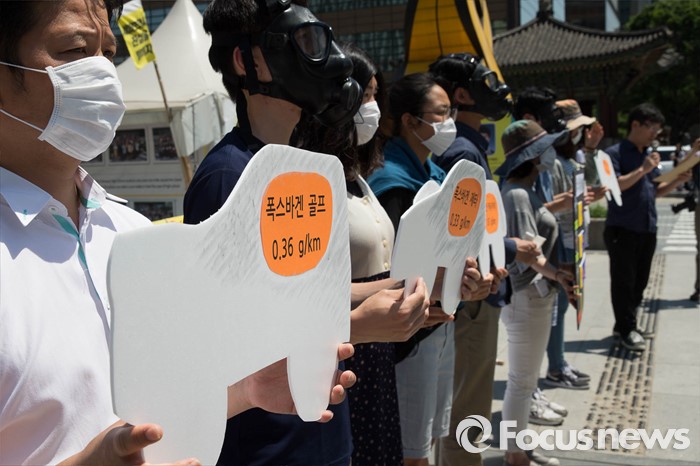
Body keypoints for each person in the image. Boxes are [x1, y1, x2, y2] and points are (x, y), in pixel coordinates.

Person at [0, 1, 356, 465]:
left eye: (108, 53)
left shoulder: (132, 233)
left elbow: (162, 407)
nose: (102, 73)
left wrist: (245, 389)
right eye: (74, 50)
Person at [184, 3, 432, 465]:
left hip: (325, 430)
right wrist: (358, 325)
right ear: (247, 62)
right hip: (267, 447)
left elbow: (308, 293)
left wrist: (408, 285)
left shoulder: (303, 169)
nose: (329, 60)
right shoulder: (228, 176)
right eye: (305, 43)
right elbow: (227, 332)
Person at [367, 73, 493, 466]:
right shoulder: (392, 181)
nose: (449, 122)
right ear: (409, 120)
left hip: (438, 325)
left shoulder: (437, 177)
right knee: (414, 452)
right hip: (410, 335)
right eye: (440, 114)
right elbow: (394, 270)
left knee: (432, 437)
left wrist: (471, 278)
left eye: (451, 112)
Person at [425, 53, 541, 466]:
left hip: (468, 290)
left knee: (455, 408)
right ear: (461, 94)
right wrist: (511, 248)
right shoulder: (464, 151)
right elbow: (462, 234)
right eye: (485, 81)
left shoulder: (462, 146)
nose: (497, 89)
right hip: (473, 295)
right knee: (467, 412)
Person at [495, 120, 575, 466]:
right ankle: (515, 454)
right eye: (545, 148)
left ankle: (519, 448)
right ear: (533, 155)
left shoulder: (523, 190)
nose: (551, 153)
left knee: (525, 380)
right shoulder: (517, 193)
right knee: (522, 381)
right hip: (527, 295)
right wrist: (557, 274)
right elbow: (528, 253)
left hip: (532, 295)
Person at [604, 103, 692, 351]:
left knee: (640, 282)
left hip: (646, 227)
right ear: (636, 125)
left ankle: (626, 324)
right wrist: (643, 169)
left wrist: (676, 181)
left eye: (658, 130)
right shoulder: (614, 153)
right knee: (623, 282)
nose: (655, 134)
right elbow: (614, 185)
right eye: (652, 128)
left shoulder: (647, 155)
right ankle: (626, 329)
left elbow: (654, 191)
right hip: (622, 228)